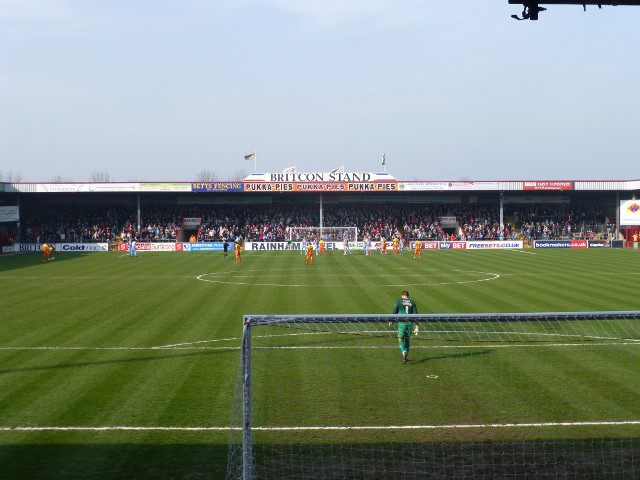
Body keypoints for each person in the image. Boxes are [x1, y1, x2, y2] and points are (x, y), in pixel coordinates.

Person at [391, 290, 419, 364]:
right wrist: (417, 325)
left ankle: (404, 352)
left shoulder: (399, 301)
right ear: (408, 296)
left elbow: (395, 312)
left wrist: (391, 321)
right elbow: (416, 314)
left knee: (400, 339)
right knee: (407, 339)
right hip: (409, 324)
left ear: (402, 295)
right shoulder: (412, 303)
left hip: (402, 323)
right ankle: (406, 355)